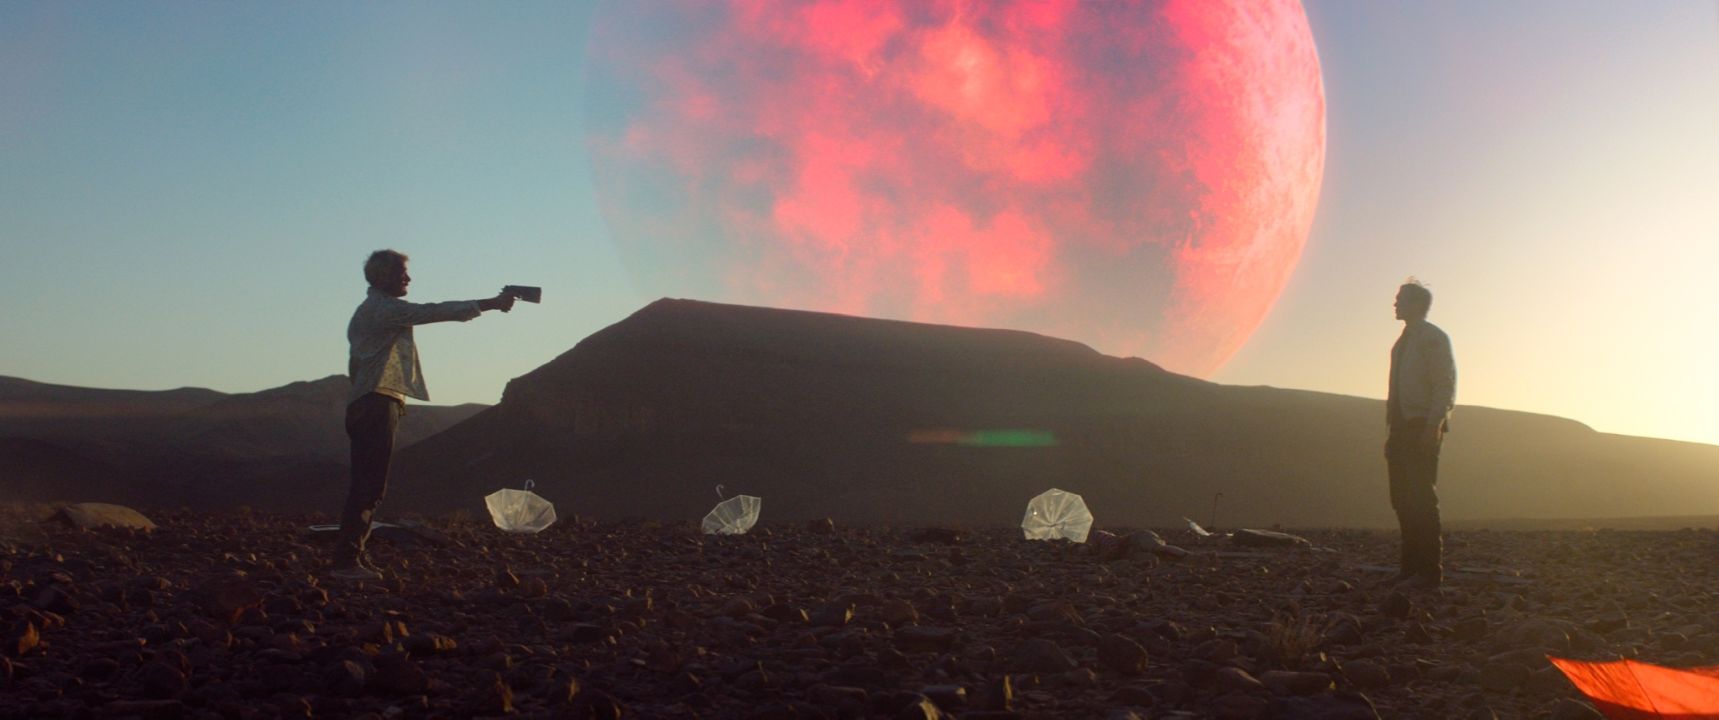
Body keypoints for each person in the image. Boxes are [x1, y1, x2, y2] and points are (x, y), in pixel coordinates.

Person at [331, 249, 515, 580]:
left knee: (367, 482)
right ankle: (346, 562)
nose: (408, 278)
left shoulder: (370, 310)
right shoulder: (384, 309)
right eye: (402, 273)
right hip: (375, 402)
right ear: (384, 276)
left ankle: (351, 555)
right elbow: (432, 311)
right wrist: (490, 303)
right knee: (369, 485)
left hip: (367, 401)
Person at [1384, 279, 1456, 589]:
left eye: (1400, 299)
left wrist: (1433, 424)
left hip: (1421, 424)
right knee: (1402, 498)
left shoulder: (1432, 338)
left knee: (1421, 497)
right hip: (1402, 426)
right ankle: (1410, 568)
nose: (1395, 303)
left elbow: (1444, 383)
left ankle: (1428, 572)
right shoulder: (1404, 342)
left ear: (1416, 304)